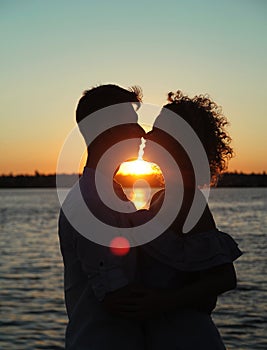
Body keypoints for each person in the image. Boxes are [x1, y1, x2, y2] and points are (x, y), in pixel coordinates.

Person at [108, 90, 242, 349]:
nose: (147, 134)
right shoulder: (165, 196)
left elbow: (225, 277)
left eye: (157, 129)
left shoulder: (187, 199)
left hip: (188, 338)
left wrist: (162, 302)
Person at [58, 84, 147, 349]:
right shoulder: (91, 202)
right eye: (132, 124)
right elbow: (117, 298)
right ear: (108, 130)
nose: (142, 133)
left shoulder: (109, 193)